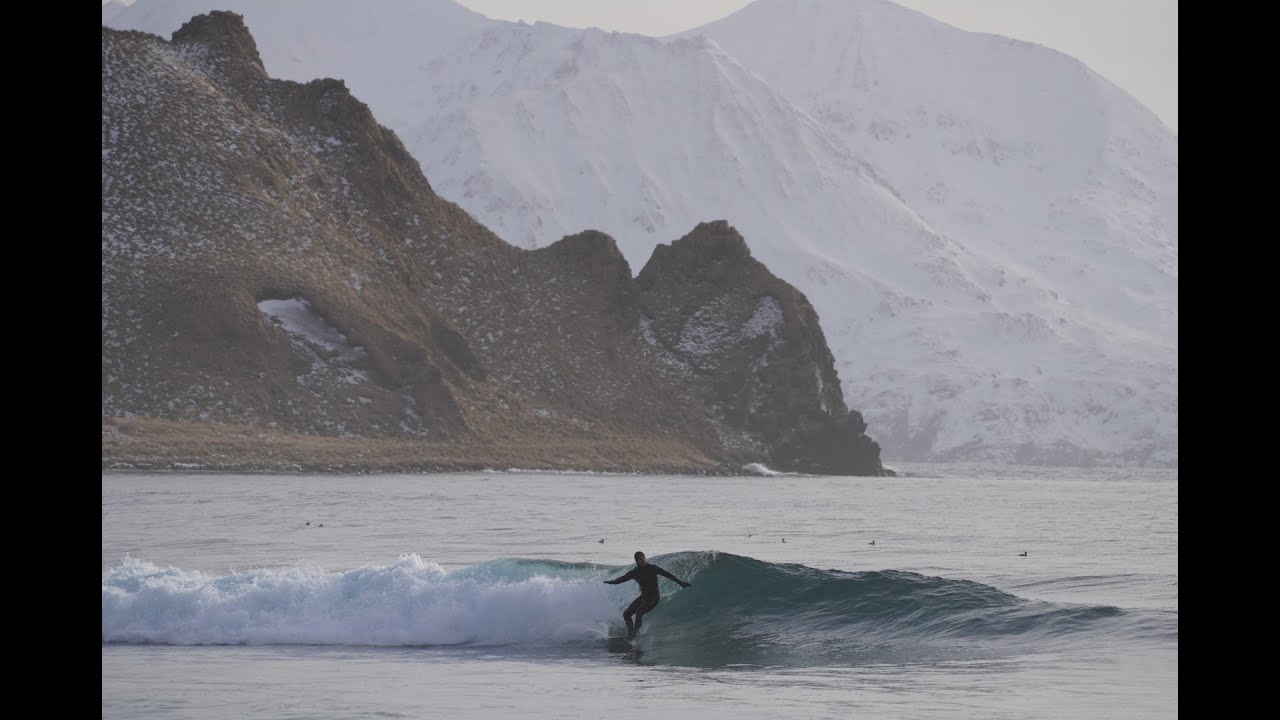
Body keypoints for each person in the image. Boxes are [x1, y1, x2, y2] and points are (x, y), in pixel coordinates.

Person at [603, 551, 692, 640]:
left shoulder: (652, 568)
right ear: (637, 561)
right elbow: (623, 578)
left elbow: (667, 575)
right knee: (626, 614)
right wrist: (612, 582)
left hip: (654, 597)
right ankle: (630, 634)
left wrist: (680, 582)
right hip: (644, 597)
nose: (643, 560)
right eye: (640, 559)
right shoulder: (635, 572)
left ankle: (634, 634)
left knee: (639, 613)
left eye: (643, 558)